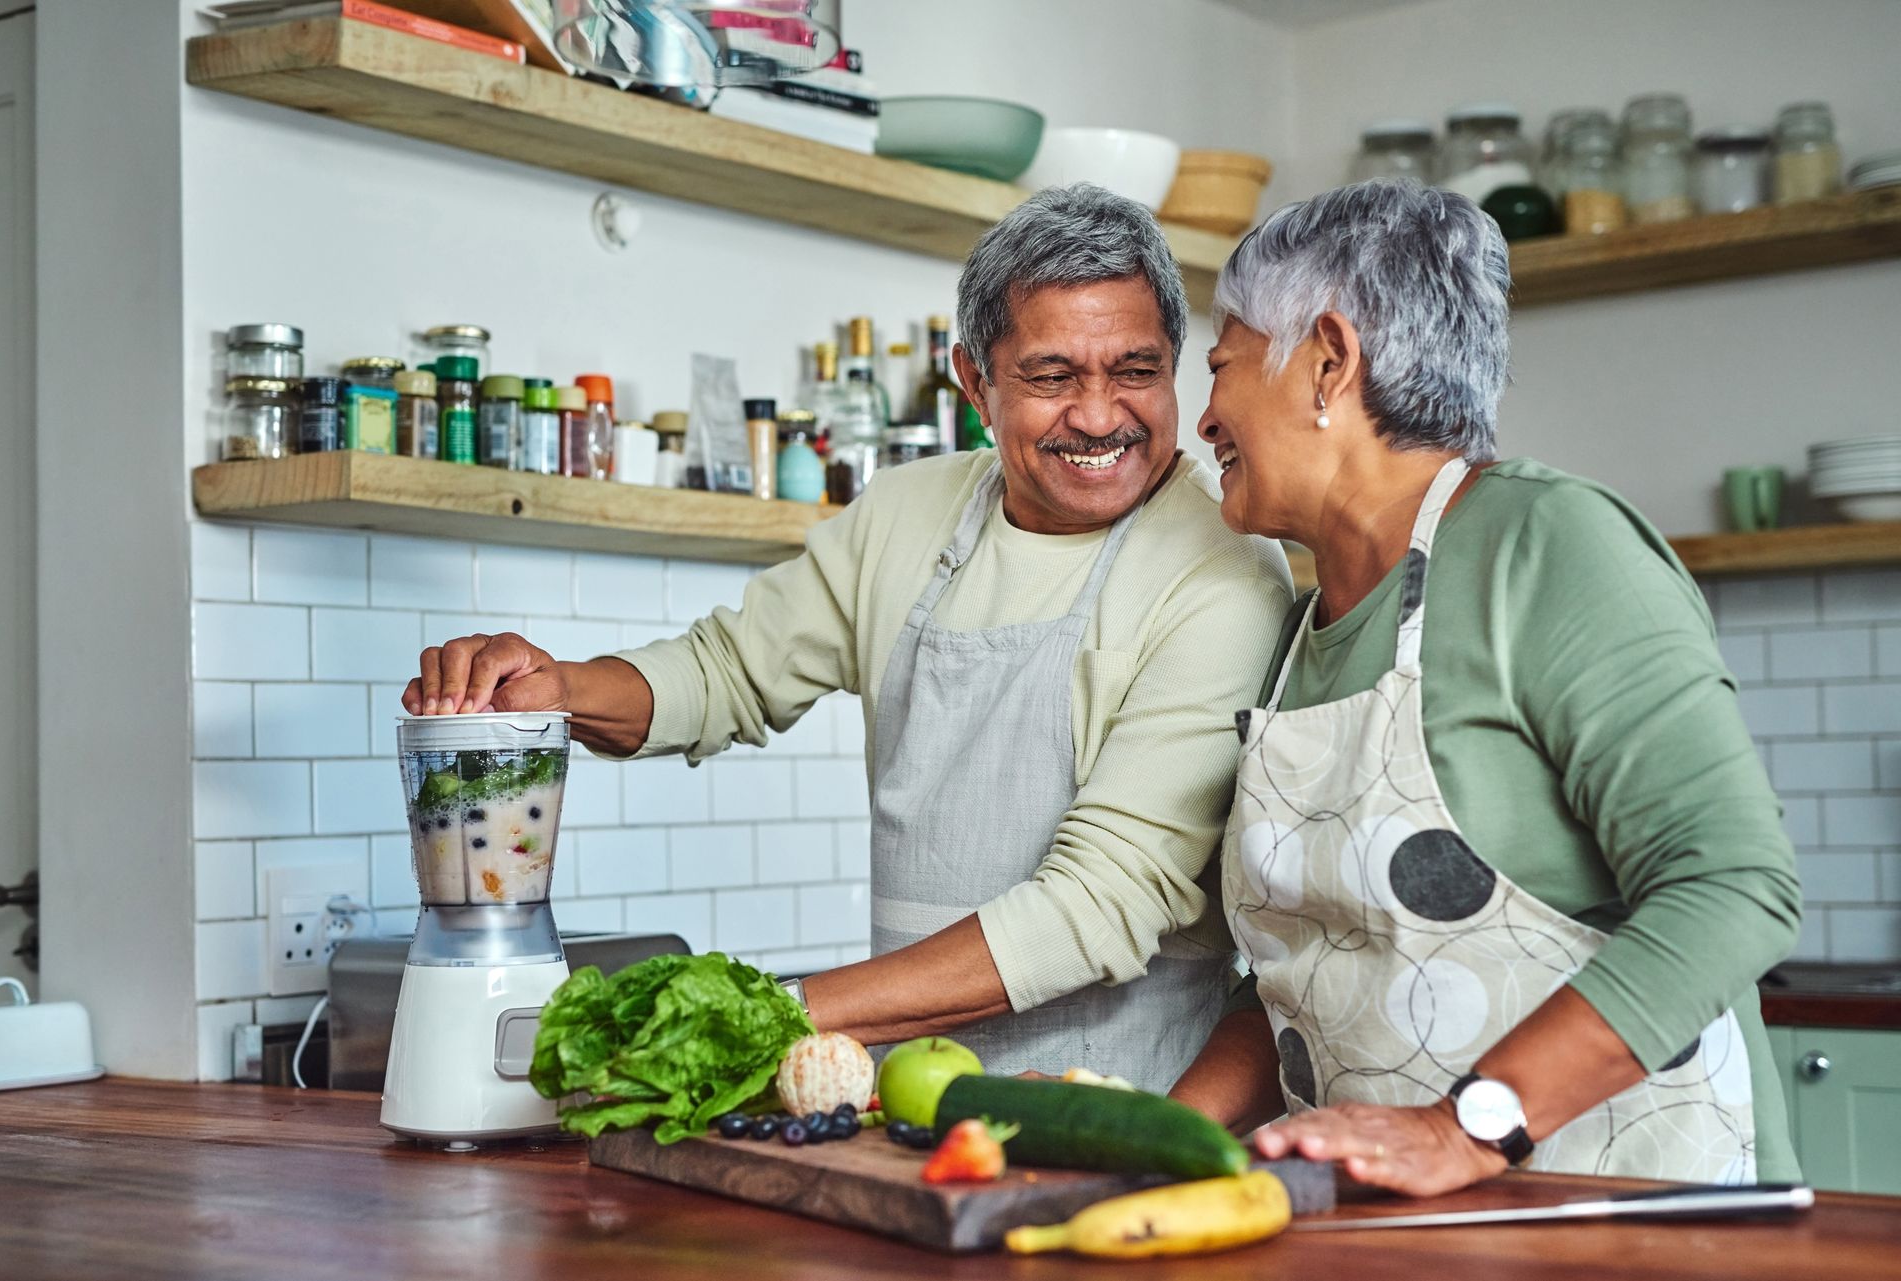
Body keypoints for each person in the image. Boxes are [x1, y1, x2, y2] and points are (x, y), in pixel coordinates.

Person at [404, 184, 1295, 1090]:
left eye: (1136, 371)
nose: (1100, 415)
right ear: (975, 382)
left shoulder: (1222, 571)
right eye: (1052, 377)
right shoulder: (910, 514)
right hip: (899, 1105)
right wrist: (562, 687)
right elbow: (729, 673)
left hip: (1121, 1117)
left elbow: (1100, 900)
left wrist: (772, 1012)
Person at [1168, 179, 1801, 1193]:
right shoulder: (1297, 635)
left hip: (1621, 1216)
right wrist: (1149, 1140)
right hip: (1383, 1233)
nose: (1205, 419)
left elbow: (1734, 886)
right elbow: (1310, 986)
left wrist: (1464, 1131)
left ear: (1328, 360)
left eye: (1223, 368)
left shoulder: (1549, 544)